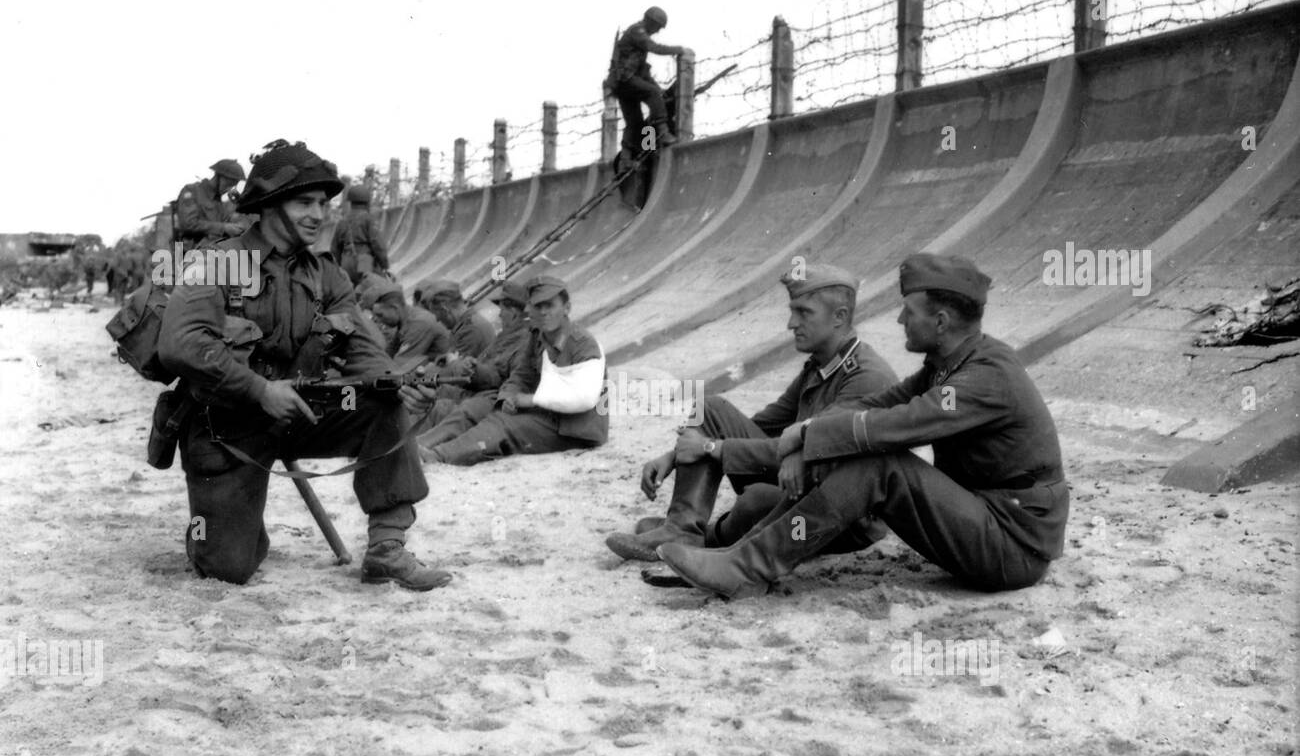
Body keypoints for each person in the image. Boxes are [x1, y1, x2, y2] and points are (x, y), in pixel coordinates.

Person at [656, 253, 1070, 599]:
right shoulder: (949, 365)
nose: (899, 322)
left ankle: (746, 565)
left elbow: (901, 423)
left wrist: (806, 435)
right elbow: (880, 405)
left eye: (908, 312)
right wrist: (809, 439)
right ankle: (741, 558)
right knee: (857, 448)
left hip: (1013, 548)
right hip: (982, 524)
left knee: (878, 461)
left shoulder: (989, 374)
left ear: (941, 322)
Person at [158, 138, 449, 591]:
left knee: (381, 405)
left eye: (322, 203)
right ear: (270, 205)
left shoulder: (325, 274)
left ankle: (387, 549)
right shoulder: (219, 262)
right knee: (228, 567)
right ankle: (226, 526)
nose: (318, 214)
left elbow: (363, 350)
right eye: (303, 203)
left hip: (299, 413)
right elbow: (179, 344)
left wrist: (397, 382)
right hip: (226, 425)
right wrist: (259, 390)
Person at [606, 264, 897, 563]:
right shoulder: (821, 365)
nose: (791, 323)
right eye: (792, 311)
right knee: (712, 407)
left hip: (841, 513)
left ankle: (708, 537)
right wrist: (675, 455)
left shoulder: (865, 377)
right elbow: (759, 425)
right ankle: (681, 529)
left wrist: (708, 447)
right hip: (803, 485)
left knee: (755, 501)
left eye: (804, 312)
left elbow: (813, 450)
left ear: (840, 317)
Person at [409, 275, 608, 465]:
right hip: (552, 417)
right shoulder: (538, 337)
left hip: (577, 429)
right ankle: (427, 449)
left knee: (504, 426)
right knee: (495, 413)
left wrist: (529, 400)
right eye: (538, 306)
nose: (544, 313)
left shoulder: (583, 343)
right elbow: (522, 374)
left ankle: (438, 456)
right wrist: (508, 397)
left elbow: (584, 398)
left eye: (550, 305)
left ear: (567, 308)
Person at [417, 279, 532, 453]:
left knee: (451, 406)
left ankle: (423, 446)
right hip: (479, 390)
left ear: (514, 312)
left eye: (502, 311)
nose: (499, 315)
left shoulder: (518, 336)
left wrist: (465, 365)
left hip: (490, 395)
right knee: (432, 398)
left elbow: (499, 375)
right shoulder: (508, 335)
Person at [607, 6, 688, 152]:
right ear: (651, 22)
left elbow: (643, 72)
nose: (658, 31)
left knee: (634, 122)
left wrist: (657, 87)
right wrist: (678, 49)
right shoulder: (637, 31)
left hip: (621, 84)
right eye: (658, 26)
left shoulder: (637, 41)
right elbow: (654, 47)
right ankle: (663, 133)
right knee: (652, 94)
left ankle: (635, 154)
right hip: (625, 80)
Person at [365, 279, 453, 371]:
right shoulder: (405, 322)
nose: (378, 320)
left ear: (395, 308)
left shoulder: (419, 323)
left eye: (380, 315)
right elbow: (387, 354)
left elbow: (398, 367)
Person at [176, 159, 247, 252]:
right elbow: (188, 223)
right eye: (228, 183)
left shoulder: (219, 202)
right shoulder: (192, 190)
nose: (229, 189)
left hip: (214, 251)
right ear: (218, 177)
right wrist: (223, 228)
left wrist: (239, 203)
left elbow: (228, 224)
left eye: (233, 185)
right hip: (189, 252)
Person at [330, 185, 390, 284]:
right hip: (364, 263)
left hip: (346, 262)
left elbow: (334, 249)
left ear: (350, 202)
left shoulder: (342, 221)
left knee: (348, 293)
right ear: (367, 202)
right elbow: (378, 245)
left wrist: (336, 269)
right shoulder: (369, 220)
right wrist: (384, 265)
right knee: (370, 291)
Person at [420, 279, 496, 358]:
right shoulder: (466, 325)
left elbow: (456, 368)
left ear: (445, 308)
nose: (437, 319)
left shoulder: (470, 331)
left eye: (437, 314)